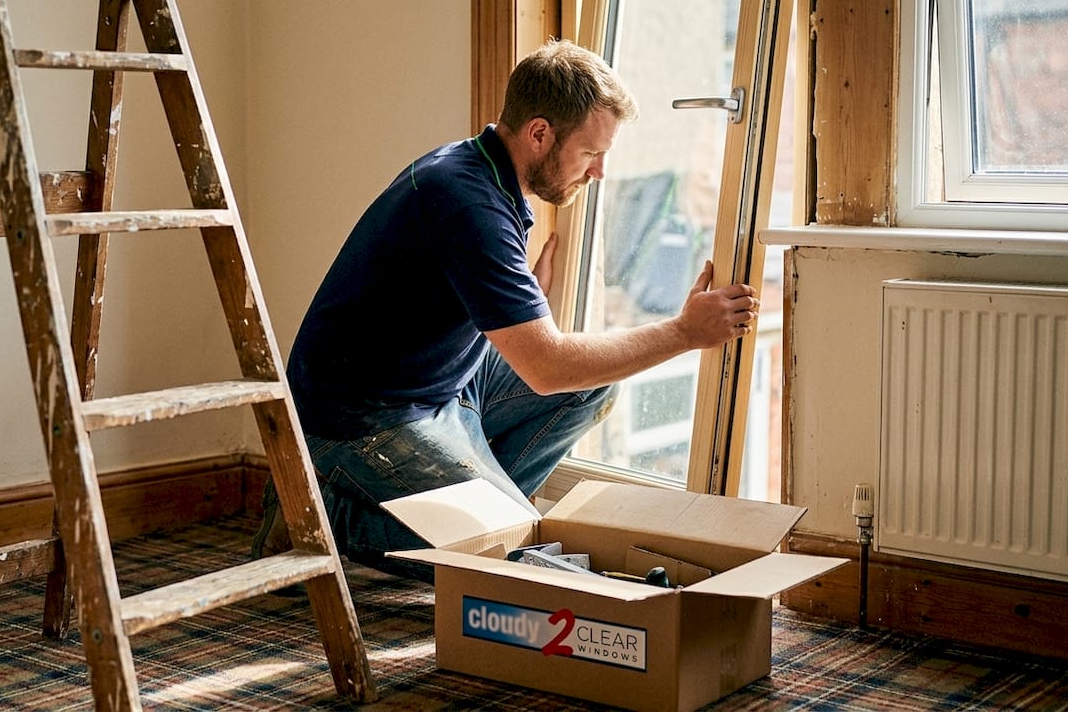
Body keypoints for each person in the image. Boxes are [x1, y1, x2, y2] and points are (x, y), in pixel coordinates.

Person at [252, 38, 759, 581]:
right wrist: (685, 332)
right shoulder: (467, 202)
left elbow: (540, 356)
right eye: (590, 153)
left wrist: (521, 304)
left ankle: (485, 511)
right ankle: (322, 518)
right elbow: (547, 367)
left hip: (444, 384)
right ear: (539, 133)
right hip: (361, 416)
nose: (599, 173)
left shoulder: (486, 172)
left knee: (591, 387)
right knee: (506, 558)